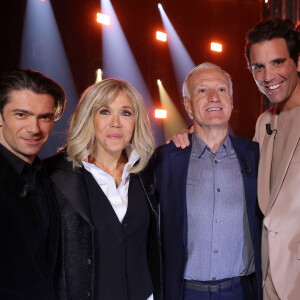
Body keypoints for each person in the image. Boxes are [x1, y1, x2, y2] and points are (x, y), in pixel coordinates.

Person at [151, 62, 263, 300]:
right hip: (185, 293)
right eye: (202, 90)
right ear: (188, 106)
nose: (214, 97)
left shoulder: (256, 155)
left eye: (222, 90)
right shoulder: (165, 160)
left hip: (244, 292)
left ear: (231, 102)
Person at [44, 78, 162, 300]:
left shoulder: (148, 171)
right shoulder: (54, 174)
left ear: (137, 121)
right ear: (89, 118)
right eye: (105, 112)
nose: (116, 123)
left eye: (126, 113)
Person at [245, 18, 300, 300]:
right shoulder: (263, 123)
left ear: (298, 62)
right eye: (259, 67)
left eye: (278, 62)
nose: (268, 76)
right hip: (267, 280)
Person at [0, 69, 66, 299]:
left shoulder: (45, 174)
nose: (34, 128)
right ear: (0, 117)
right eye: (21, 115)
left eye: (45, 117)